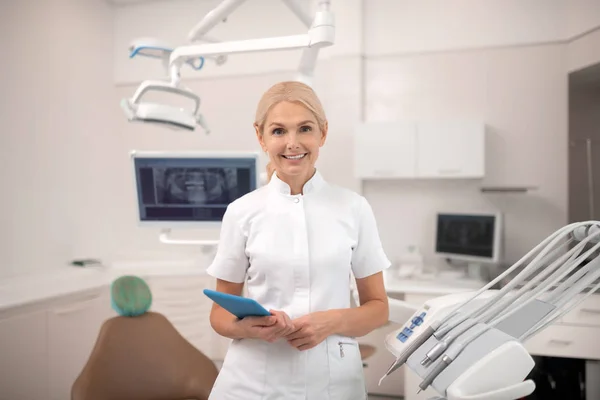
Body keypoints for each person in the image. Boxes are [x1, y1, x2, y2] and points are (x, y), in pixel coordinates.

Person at [206, 81, 391, 400]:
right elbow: (219, 314)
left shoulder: (353, 208)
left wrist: (330, 321)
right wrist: (245, 327)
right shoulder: (241, 212)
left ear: (323, 133)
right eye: (278, 131)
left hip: (332, 382)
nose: (292, 143)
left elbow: (378, 309)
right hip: (252, 381)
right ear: (260, 136)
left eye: (304, 129)